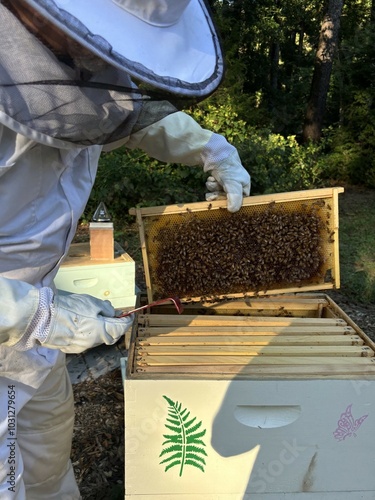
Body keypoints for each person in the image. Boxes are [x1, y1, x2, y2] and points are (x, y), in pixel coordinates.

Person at [0, 0, 251, 498]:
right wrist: (40, 316)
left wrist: (210, 148)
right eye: (96, 47)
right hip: (24, 318)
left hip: (33, 342)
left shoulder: (74, 69)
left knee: (48, 469)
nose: (107, 66)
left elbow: (119, 113)